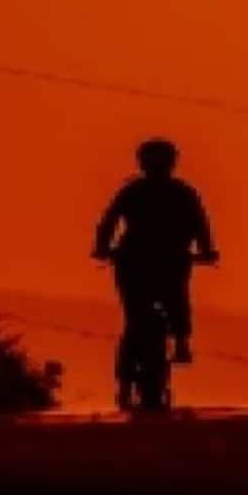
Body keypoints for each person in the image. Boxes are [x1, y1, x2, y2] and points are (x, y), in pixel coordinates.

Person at [93, 137, 218, 364]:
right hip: (162, 258)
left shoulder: (134, 190)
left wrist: (102, 248)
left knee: (148, 306)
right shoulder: (182, 192)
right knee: (175, 299)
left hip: (139, 259)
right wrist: (207, 251)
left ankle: (178, 342)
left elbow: (108, 222)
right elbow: (201, 225)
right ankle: (180, 343)